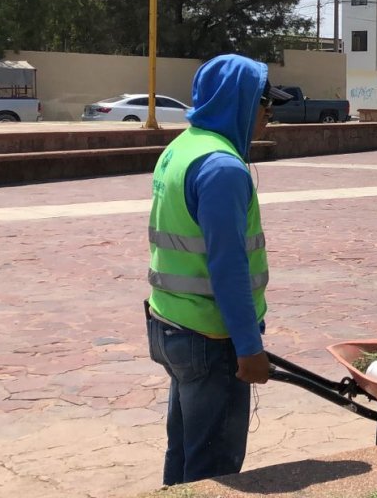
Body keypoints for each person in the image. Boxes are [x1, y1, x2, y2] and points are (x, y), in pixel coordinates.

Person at [144, 54, 292, 485]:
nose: (269, 117)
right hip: (211, 339)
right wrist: (248, 348)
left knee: (186, 449)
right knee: (213, 468)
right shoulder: (222, 168)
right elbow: (228, 269)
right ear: (242, 104)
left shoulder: (182, 148)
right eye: (267, 106)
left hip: (170, 323)